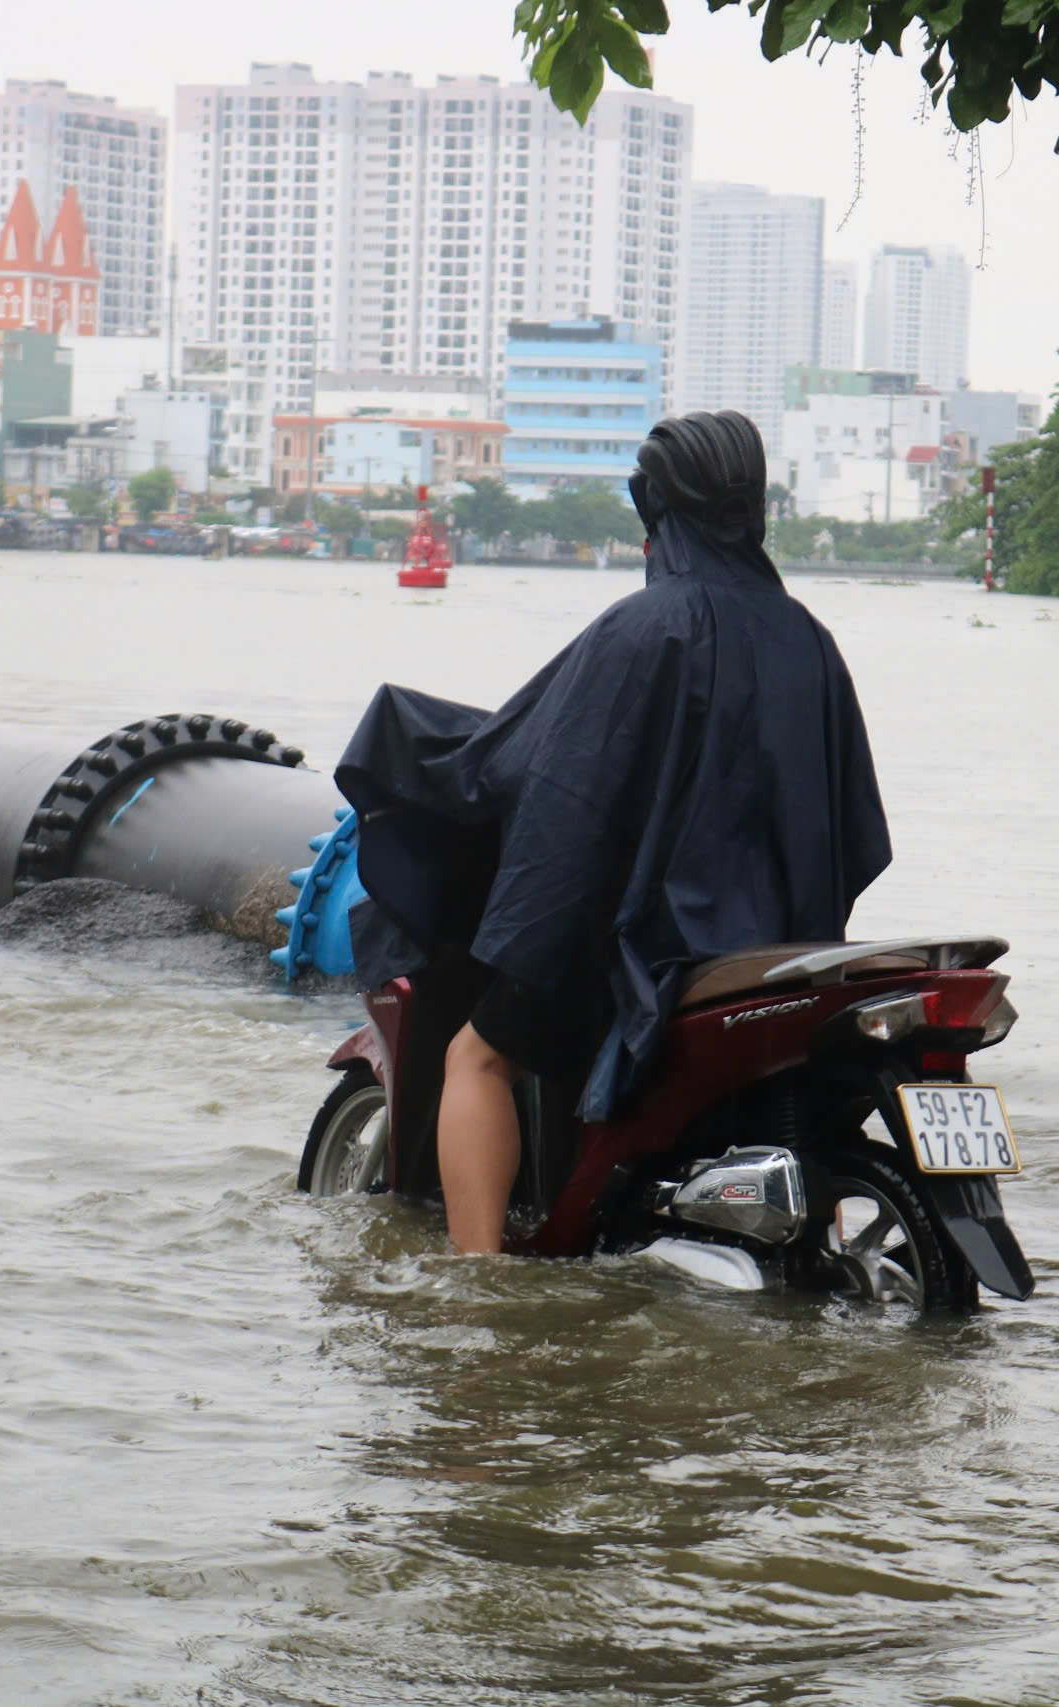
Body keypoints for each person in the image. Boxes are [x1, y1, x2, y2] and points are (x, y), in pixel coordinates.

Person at [333, 410, 891, 1252]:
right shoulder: (812, 641)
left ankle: (476, 1283)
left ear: (657, 514)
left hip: (661, 951)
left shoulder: (646, 627)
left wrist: (417, 746)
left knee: (476, 1055)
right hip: (780, 953)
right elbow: (848, 822)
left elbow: (554, 779)